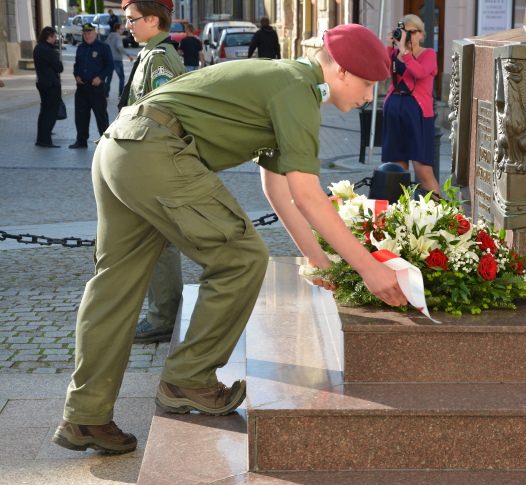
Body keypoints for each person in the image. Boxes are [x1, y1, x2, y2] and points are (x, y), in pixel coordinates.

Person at [51, 22, 405, 455]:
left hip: (122, 146)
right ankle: (189, 379)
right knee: (242, 257)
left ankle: (84, 415)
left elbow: (278, 191)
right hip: (158, 152)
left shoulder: (282, 79)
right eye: (369, 85)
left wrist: (321, 263)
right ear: (344, 72)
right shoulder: (298, 89)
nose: (370, 97)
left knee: (115, 284)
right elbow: (309, 196)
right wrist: (369, 268)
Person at [115, 0, 187, 345]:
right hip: (146, 160)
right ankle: (161, 312)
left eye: (132, 19)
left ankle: (163, 316)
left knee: (159, 242)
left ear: (154, 19)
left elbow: (164, 112)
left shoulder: (159, 59)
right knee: (156, 239)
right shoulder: (152, 53)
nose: (127, 25)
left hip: (152, 161)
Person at [381, 14, 439, 195]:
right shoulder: (394, 53)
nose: (408, 36)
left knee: (423, 170)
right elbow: (381, 67)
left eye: (412, 32)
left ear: (421, 34)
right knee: (397, 169)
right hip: (394, 110)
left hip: (418, 113)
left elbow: (420, 73)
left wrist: (405, 53)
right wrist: (392, 45)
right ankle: (400, 219)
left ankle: (443, 217)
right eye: (404, 32)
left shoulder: (429, 54)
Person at [69, 23, 113, 149]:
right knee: (81, 116)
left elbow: (109, 66)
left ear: (95, 33)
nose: (87, 35)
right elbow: (77, 65)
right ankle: (81, 141)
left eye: (89, 32)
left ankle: (106, 142)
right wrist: (76, 75)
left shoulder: (103, 47)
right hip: (82, 87)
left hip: (96, 88)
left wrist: (100, 78)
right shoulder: (80, 47)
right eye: (85, 33)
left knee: (101, 116)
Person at [33, 26, 64, 148]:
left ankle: (41, 138)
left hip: (41, 83)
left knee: (44, 112)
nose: (55, 39)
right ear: (49, 37)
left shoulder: (38, 48)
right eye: (54, 36)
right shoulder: (49, 50)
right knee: (50, 113)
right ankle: (45, 140)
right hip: (51, 85)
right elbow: (59, 68)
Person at [104, 23, 134, 98]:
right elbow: (119, 47)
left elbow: (105, 45)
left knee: (109, 77)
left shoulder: (110, 36)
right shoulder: (118, 37)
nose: (123, 30)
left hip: (109, 59)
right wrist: (128, 55)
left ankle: (106, 94)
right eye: (121, 29)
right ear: (117, 29)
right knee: (122, 77)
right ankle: (121, 94)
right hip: (117, 60)